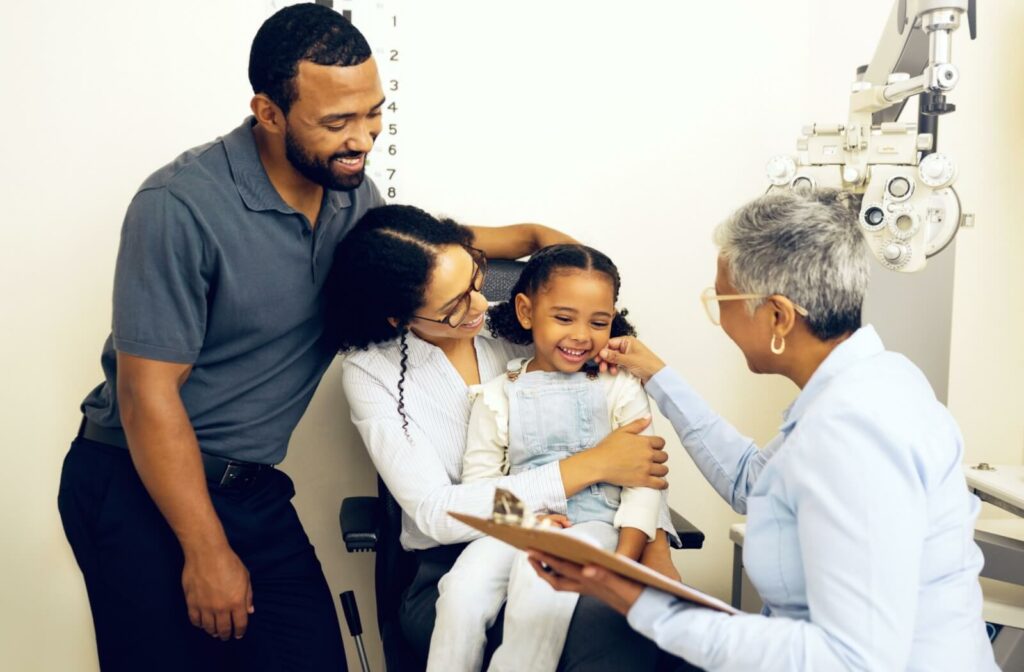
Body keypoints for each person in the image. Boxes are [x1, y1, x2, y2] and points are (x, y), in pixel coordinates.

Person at [56, 5, 573, 670]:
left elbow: (436, 257)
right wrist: (206, 551)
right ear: (268, 113)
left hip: (251, 489)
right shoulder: (178, 207)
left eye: (373, 113)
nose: (363, 137)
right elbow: (146, 397)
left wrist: (555, 265)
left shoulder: (351, 193)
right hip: (136, 483)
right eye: (337, 122)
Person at [528, 189, 998, 671]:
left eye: (722, 299)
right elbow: (752, 481)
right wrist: (658, 375)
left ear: (778, 316)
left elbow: (853, 660)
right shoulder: (873, 383)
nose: (719, 317)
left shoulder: (853, 432)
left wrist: (638, 594)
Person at [330, 205, 690, 671]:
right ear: (398, 318)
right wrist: (587, 468)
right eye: (454, 306)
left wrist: (655, 548)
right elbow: (436, 513)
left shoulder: (524, 330)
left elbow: (633, 446)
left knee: (623, 617)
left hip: (583, 533)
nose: (480, 306)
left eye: (475, 282)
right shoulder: (371, 373)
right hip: (454, 561)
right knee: (588, 621)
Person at [427, 244, 675, 672]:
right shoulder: (498, 394)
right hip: (519, 526)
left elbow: (644, 482)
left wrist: (626, 556)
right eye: (564, 318)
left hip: (595, 526)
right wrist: (527, 521)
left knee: (540, 581)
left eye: (599, 322)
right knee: (460, 592)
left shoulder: (620, 387)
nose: (581, 335)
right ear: (526, 312)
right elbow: (479, 485)